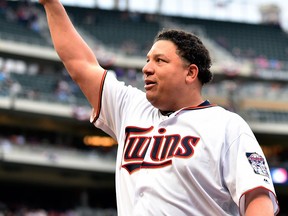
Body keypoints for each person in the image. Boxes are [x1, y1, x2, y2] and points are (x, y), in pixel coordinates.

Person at [39, 0, 279, 215]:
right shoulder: (130, 107)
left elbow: (258, 198)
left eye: (160, 61)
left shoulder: (227, 125)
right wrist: (51, 4)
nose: (147, 68)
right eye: (147, 60)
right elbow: (80, 64)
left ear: (190, 72)